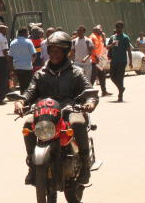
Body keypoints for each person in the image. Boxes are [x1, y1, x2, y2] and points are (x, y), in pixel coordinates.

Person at [14, 31, 97, 185]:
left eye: (58, 51)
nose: (54, 54)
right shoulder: (40, 73)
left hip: (70, 109)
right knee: (28, 124)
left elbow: (89, 91)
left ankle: (85, 166)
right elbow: (30, 92)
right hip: (46, 111)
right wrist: (21, 102)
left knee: (78, 123)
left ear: (66, 52)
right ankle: (32, 166)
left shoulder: (76, 72)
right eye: (52, 51)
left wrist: (90, 102)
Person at [106, 21, 133, 102]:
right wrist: (112, 45)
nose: (118, 28)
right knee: (112, 76)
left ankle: (120, 95)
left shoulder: (125, 38)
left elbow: (129, 50)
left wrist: (130, 62)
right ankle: (121, 88)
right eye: (117, 27)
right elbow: (107, 47)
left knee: (120, 78)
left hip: (122, 61)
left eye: (120, 27)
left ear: (122, 28)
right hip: (114, 60)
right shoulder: (112, 37)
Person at [9, 28, 37, 94]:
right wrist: (31, 62)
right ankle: (26, 98)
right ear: (24, 33)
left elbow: (10, 57)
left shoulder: (13, 42)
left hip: (17, 67)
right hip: (27, 67)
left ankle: (22, 97)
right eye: (27, 33)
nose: (28, 34)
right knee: (28, 85)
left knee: (22, 85)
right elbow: (34, 55)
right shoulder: (28, 41)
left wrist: (11, 68)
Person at [89, 26, 111, 96]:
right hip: (94, 60)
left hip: (100, 61)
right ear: (94, 30)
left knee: (102, 77)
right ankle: (89, 93)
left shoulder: (100, 37)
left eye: (101, 29)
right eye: (99, 29)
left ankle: (104, 92)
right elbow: (91, 48)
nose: (101, 30)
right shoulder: (92, 37)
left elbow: (104, 47)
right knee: (92, 78)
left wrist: (104, 38)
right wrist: (96, 57)